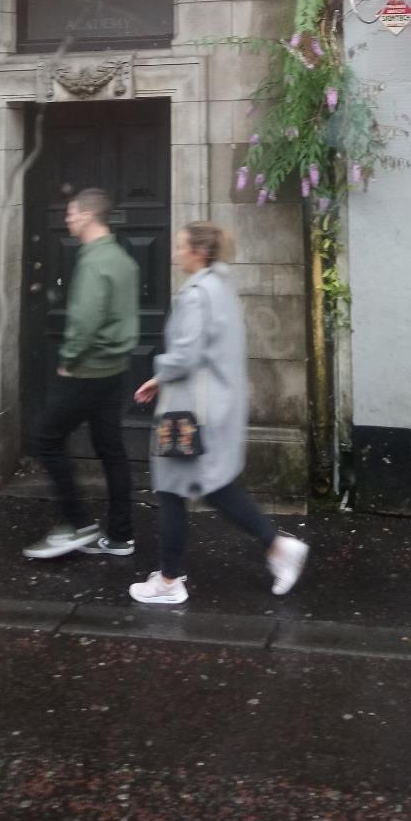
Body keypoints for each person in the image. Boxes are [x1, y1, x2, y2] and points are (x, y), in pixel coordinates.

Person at [129, 221, 309, 605]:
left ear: (198, 251)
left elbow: (186, 356)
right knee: (212, 488)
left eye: (181, 246)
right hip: (212, 407)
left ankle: (169, 581)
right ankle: (278, 547)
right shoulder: (221, 287)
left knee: (172, 489)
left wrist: (160, 371)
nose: (176, 252)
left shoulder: (196, 295)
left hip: (189, 412)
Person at [24, 188, 140, 561]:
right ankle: (121, 535)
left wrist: (69, 359)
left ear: (89, 216)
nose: (67, 218)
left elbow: (86, 319)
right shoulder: (123, 260)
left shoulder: (93, 262)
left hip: (86, 371)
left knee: (45, 439)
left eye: (72, 213)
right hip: (115, 370)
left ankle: (77, 523)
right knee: (112, 451)